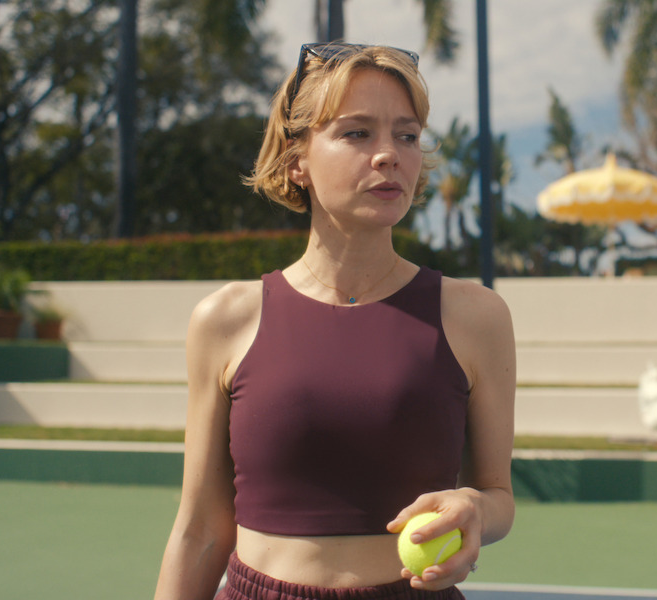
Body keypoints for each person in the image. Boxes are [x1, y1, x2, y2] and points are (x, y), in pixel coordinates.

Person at [153, 43, 517, 600]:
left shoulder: (476, 316)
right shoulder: (225, 319)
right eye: (356, 133)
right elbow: (200, 528)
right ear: (296, 159)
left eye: (407, 134)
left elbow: (498, 496)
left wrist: (474, 507)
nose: (388, 154)